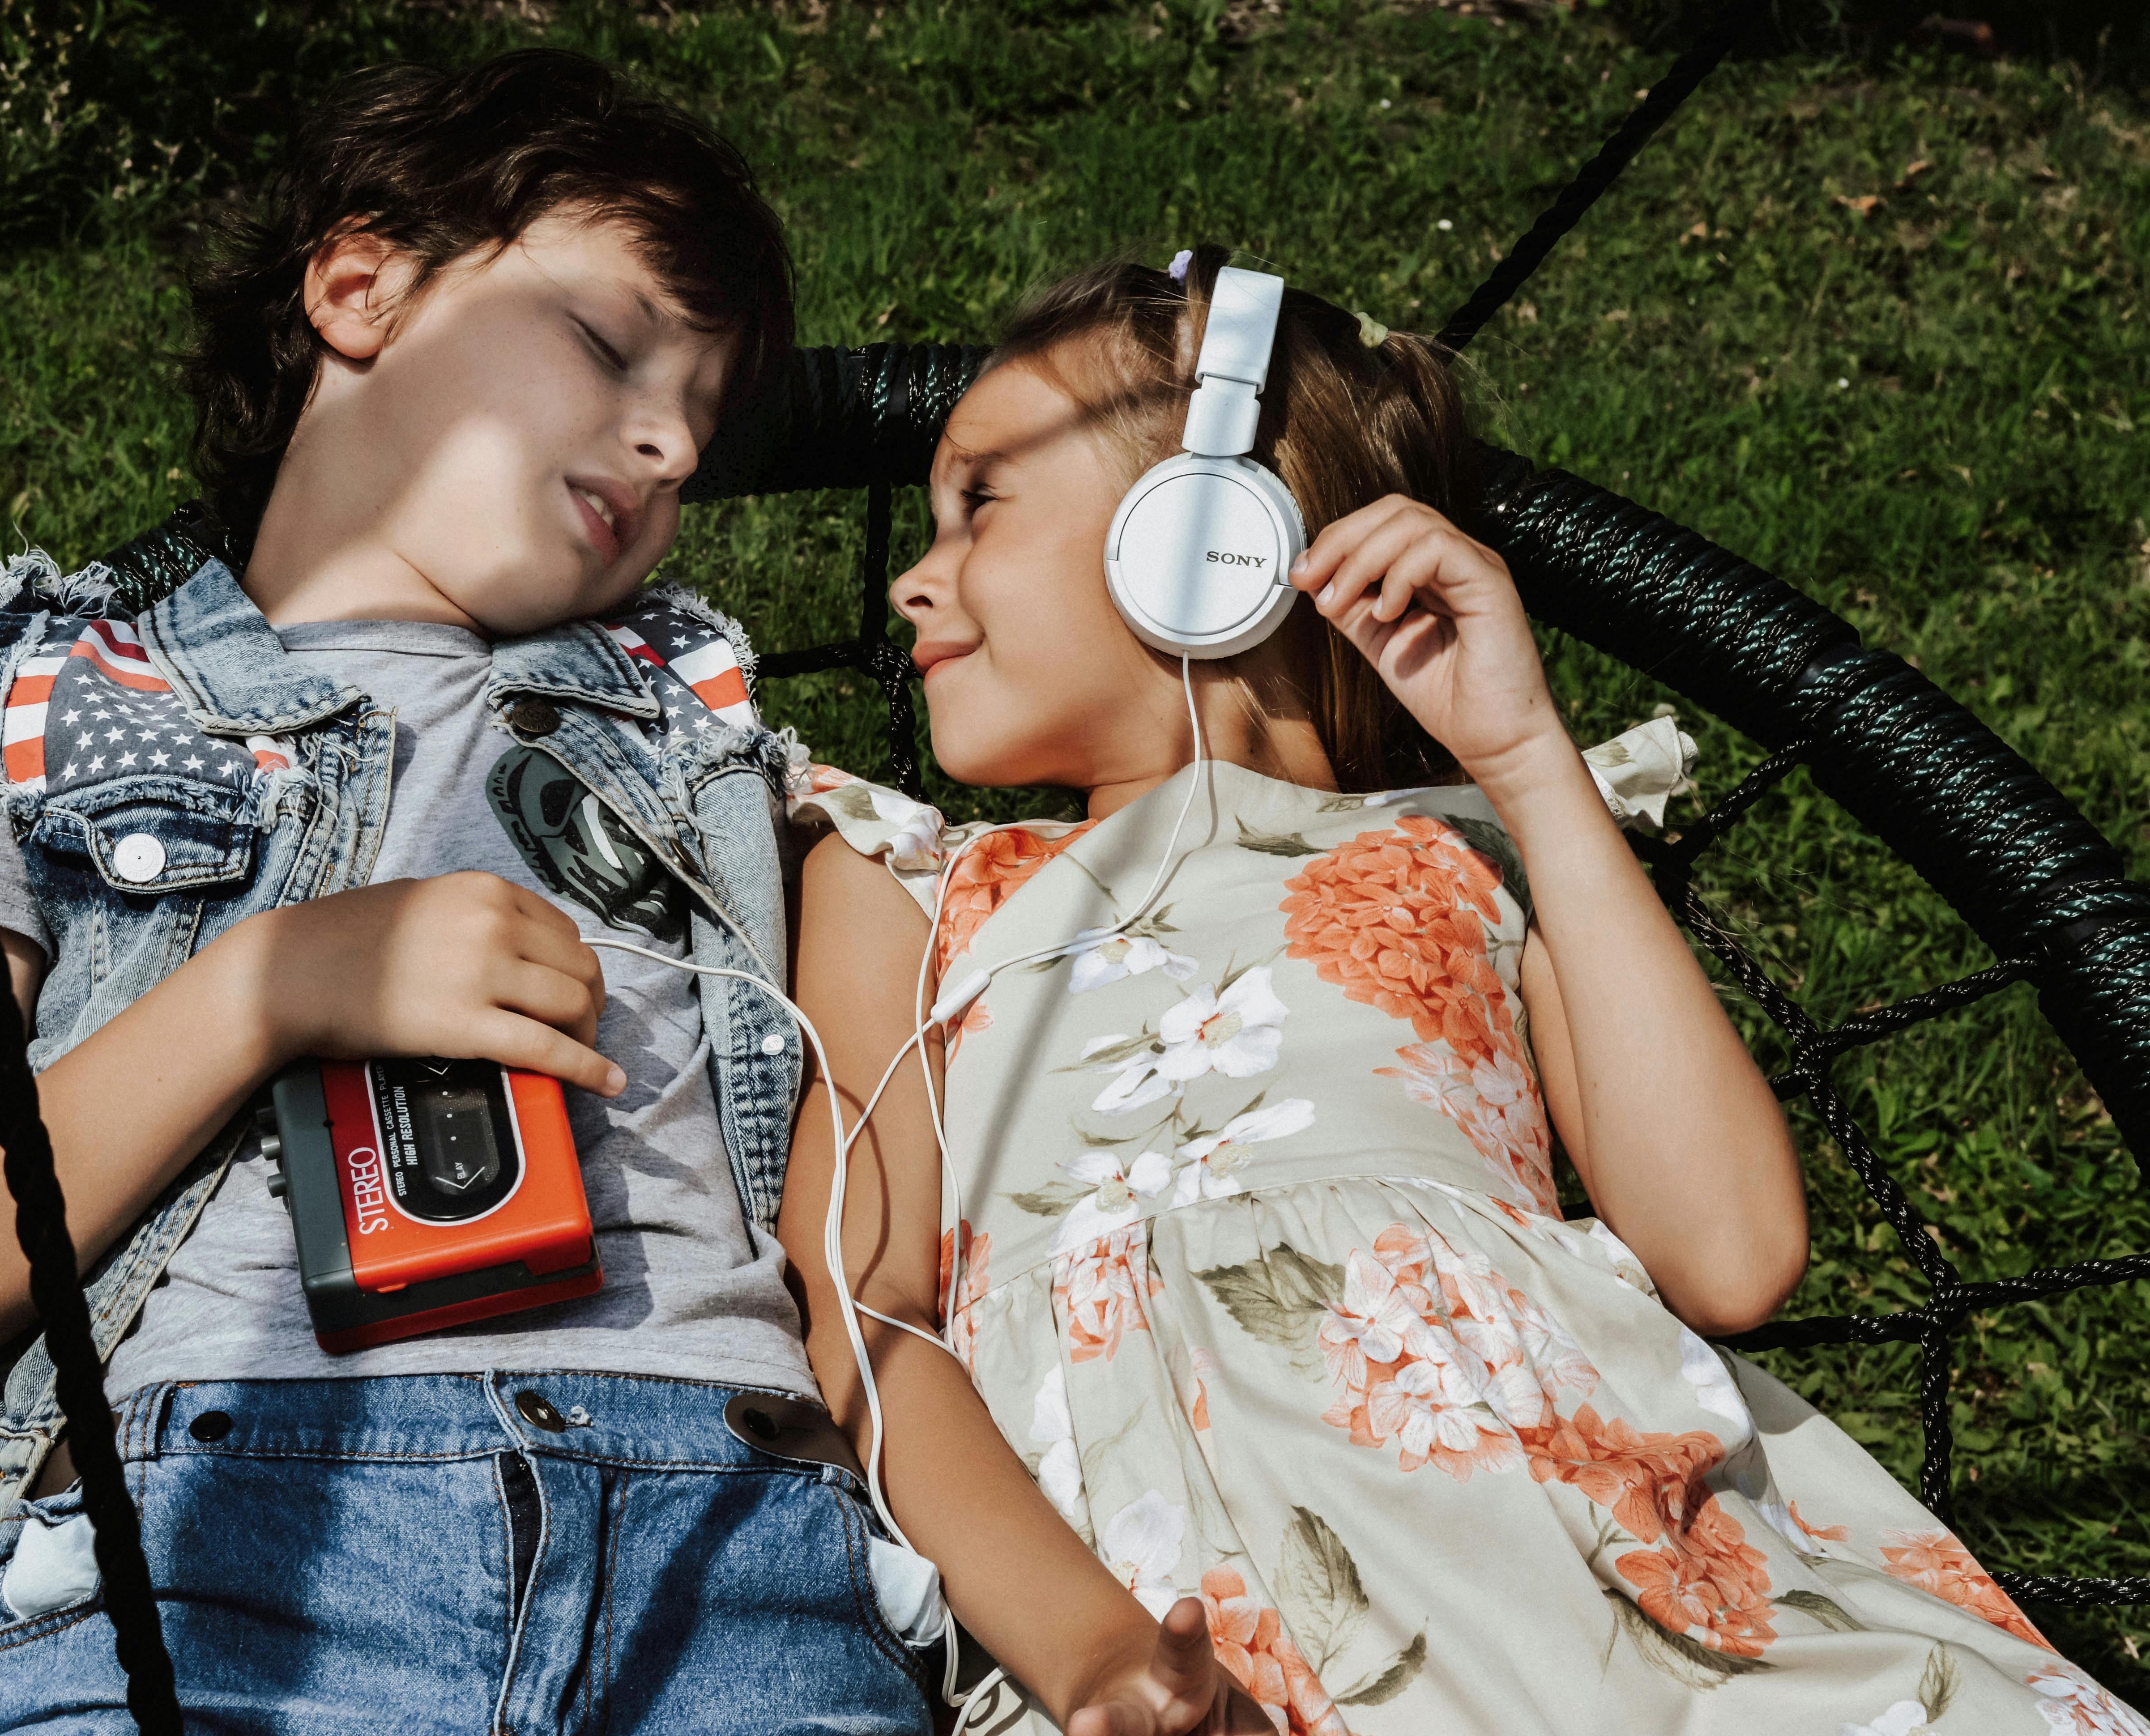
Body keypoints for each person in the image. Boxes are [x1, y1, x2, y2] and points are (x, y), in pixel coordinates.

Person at [781, 247, 2146, 1735]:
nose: (916, 573)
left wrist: (1531, 764)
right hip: (1171, 1640)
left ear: (1201, 537)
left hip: (1587, 1576)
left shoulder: (1472, 845)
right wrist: (1094, 1658)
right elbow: (864, 1311)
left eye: (980, 504)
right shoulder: (902, 884)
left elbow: (1732, 1252)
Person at [0, 50, 931, 1734]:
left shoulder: (707, 742)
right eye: (612, 345)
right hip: (220, 1540)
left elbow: (867, 1242)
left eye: (700, 422)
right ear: (361, 284)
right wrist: (268, 989)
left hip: (734, 1530)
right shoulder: (39, 694)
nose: (666, 440)